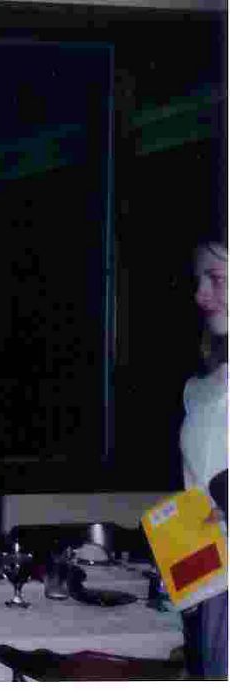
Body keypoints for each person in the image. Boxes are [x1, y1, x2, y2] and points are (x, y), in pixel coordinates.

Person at [180, 235, 228, 680]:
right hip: (214, 587)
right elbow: (198, 497)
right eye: (198, 281)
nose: (200, 295)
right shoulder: (201, 389)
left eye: (216, 278)